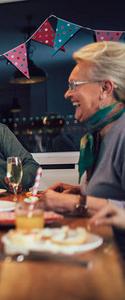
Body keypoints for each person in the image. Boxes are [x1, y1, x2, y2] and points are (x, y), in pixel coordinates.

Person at [41, 41, 125, 216]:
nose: (67, 94)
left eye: (74, 85)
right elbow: (114, 194)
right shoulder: (98, 136)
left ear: (105, 88)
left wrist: (77, 202)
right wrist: (78, 191)